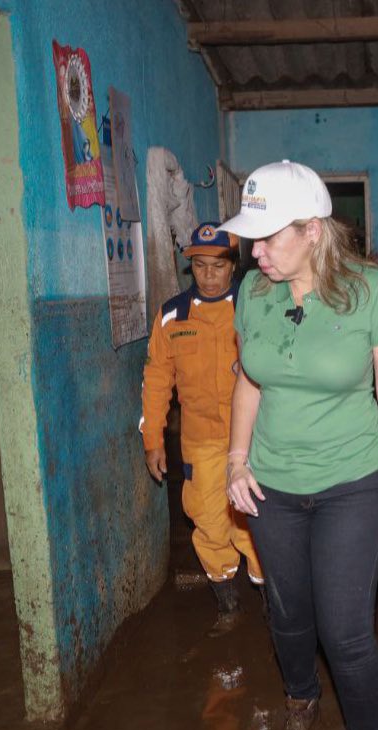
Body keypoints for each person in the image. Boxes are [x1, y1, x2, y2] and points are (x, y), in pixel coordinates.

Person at [221, 160, 378, 730]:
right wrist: (235, 459)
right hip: (273, 483)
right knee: (286, 612)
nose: (255, 251)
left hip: (354, 482)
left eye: (268, 237)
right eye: (252, 238)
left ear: (311, 230)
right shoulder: (254, 291)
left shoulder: (371, 290)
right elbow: (250, 379)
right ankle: (300, 695)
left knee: (346, 628)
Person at [140, 222, 263, 635]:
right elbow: (157, 380)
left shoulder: (254, 306)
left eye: (218, 266)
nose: (209, 275)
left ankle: (271, 601)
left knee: (257, 522)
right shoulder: (172, 316)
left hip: (257, 438)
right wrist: (153, 439)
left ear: (233, 266)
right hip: (203, 441)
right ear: (190, 266)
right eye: (200, 266)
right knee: (209, 521)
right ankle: (227, 605)